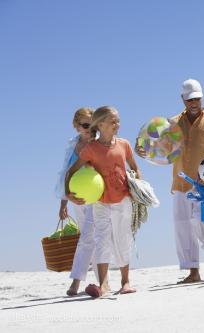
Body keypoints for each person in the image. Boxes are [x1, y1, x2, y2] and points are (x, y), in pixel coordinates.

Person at [136, 79, 204, 283]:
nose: (194, 103)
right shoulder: (173, 123)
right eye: (189, 99)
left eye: (197, 99)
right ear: (183, 100)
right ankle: (192, 271)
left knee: (201, 220)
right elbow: (162, 149)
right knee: (182, 225)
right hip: (180, 182)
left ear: (202, 97)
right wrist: (142, 149)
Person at [66, 106, 140, 297]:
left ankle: (125, 282)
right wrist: (68, 193)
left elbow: (134, 168)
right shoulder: (91, 148)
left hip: (123, 200)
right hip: (101, 202)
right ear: (100, 125)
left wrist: (139, 188)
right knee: (102, 240)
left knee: (122, 239)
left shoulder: (124, 144)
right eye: (113, 121)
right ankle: (104, 284)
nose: (117, 124)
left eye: (118, 120)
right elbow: (71, 171)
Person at [55, 107, 97, 296]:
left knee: (87, 237)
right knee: (89, 238)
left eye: (93, 125)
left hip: (97, 197)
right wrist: (64, 202)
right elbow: (65, 171)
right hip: (76, 198)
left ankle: (76, 281)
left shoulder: (98, 142)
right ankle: (103, 281)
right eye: (86, 125)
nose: (90, 129)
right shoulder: (72, 144)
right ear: (76, 126)